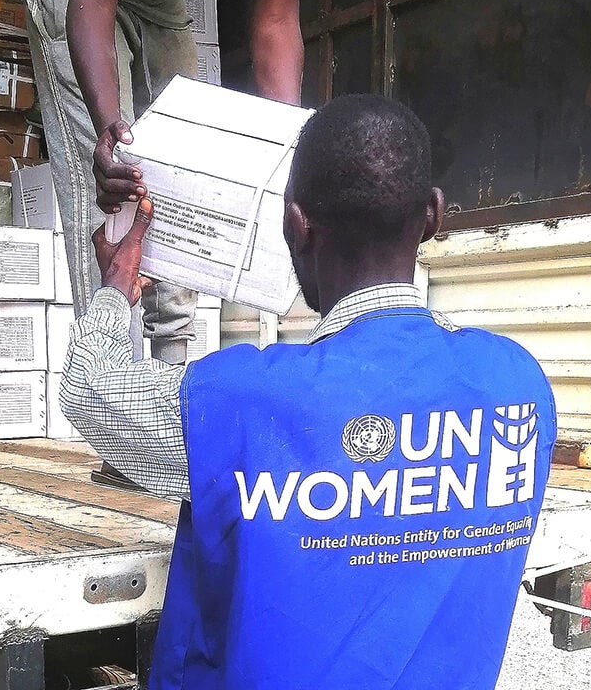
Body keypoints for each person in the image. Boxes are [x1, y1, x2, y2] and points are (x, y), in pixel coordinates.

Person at [60, 94, 558, 689]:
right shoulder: (517, 386)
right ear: (433, 215)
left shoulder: (241, 403)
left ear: (297, 224)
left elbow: (88, 388)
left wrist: (118, 285)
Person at [17, 0, 320, 366]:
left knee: (184, 166)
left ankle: (173, 372)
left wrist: (289, 155)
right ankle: (110, 386)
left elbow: (278, 18)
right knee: (109, 188)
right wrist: (106, 127)